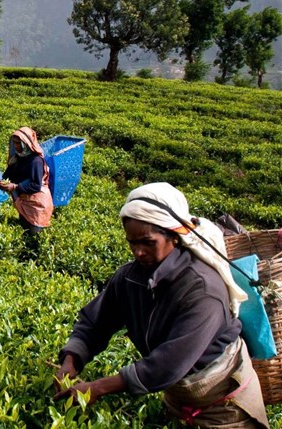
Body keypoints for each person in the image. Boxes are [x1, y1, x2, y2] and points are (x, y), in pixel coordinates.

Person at [54, 182, 269, 428]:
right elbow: (95, 323)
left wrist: (98, 387)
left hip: (224, 402)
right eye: (132, 243)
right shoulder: (129, 278)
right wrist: (71, 360)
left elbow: (168, 364)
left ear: (174, 237)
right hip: (179, 395)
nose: (138, 252)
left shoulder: (203, 289)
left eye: (147, 242)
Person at [0, 127, 54, 235]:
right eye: (14, 143)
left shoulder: (35, 161)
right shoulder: (17, 158)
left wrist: (15, 187)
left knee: (34, 233)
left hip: (37, 204)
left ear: (26, 144)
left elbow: (35, 185)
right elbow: (8, 174)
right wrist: (2, 182)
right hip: (23, 200)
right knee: (24, 230)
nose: (15, 146)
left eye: (18, 143)